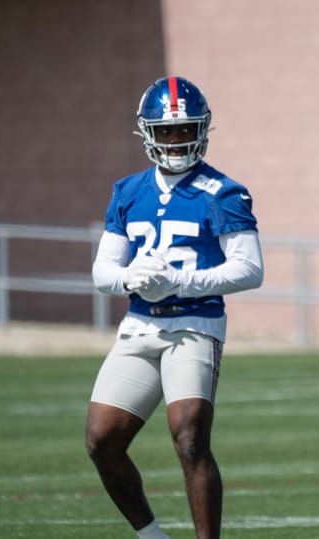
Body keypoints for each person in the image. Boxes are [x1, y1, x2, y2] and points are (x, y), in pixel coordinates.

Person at [86, 76, 264, 539]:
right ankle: (151, 535)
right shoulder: (128, 191)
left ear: (202, 129)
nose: (175, 139)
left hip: (195, 325)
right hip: (140, 325)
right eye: (165, 131)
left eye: (184, 129)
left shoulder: (223, 192)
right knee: (102, 440)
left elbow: (249, 269)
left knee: (189, 436)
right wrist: (130, 277)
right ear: (146, 132)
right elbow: (103, 272)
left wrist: (179, 282)